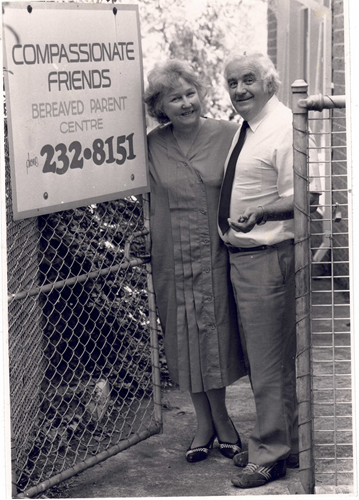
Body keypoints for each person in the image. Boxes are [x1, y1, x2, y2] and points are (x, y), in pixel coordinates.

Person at [217, 52, 321, 488]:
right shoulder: (251, 125)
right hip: (247, 260)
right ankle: (289, 444)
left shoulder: (283, 126)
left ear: (270, 84)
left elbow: (307, 195)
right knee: (273, 362)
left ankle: (270, 455)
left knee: (268, 365)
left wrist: (260, 214)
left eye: (249, 81)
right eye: (232, 82)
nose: (239, 90)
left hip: (267, 259)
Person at [143, 59, 247, 463]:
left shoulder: (229, 134)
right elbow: (146, 200)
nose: (186, 103)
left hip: (216, 255)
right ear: (161, 107)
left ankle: (221, 421)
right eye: (175, 98)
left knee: (214, 336)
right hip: (172, 256)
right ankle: (205, 424)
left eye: (191, 94)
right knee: (184, 338)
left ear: (201, 94)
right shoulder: (152, 146)